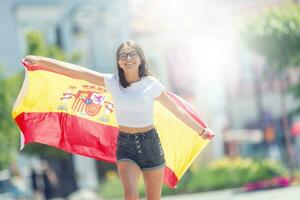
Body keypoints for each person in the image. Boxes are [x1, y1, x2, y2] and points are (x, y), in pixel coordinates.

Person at [23, 40, 215, 200]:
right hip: (126, 146)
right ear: (119, 62)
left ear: (140, 59)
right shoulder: (112, 82)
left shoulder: (151, 84)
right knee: (130, 195)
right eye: (124, 55)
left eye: (133, 54)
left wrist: (200, 130)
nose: (128, 58)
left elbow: (177, 110)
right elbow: (78, 72)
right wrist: (40, 61)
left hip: (151, 145)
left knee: (153, 198)